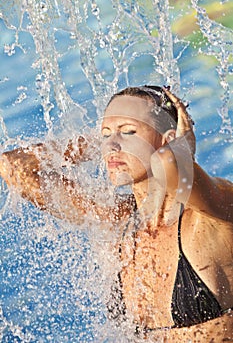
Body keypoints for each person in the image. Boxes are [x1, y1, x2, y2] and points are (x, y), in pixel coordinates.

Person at [0, 85, 232, 342]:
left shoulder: (212, 214)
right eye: (105, 134)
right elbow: (14, 167)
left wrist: (182, 147)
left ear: (169, 139)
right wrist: (102, 144)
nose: (112, 144)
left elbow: (169, 164)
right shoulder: (117, 218)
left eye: (130, 132)